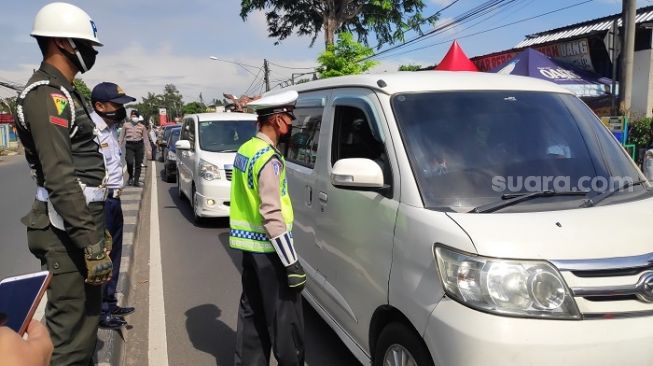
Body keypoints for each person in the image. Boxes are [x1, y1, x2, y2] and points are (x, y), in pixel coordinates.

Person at [14, 3, 112, 365]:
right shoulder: (47, 95)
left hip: (76, 225)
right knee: (70, 339)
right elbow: (60, 178)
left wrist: (95, 232)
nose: (91, 53)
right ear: (62, 42)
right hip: (64, 231)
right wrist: (90, 242)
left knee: (85, 327)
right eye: (86, 45)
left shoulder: (67, 93)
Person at [230, 90, 306, 366]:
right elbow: (271, 213)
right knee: (285, 321)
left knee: (252, 315)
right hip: (270, 250)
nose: (291, 123)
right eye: (288, 117)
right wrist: (291, 262)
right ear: (275, 120)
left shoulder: (246, 149)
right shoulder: (268, 159)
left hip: (248, 248)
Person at [90, 82, 137, 329]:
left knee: (115, 254)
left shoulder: (109, 129)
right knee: (102, 257)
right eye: (116, 105)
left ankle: (110, 301)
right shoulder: (90, 130)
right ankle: (100, 311)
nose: (121, 110)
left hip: (115, 199)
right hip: (100, 202)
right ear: (99, 106)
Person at [119, 110, 151, 187]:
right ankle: (130, 176)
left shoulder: (142, 127)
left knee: (138, 164)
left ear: (138, 117)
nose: (134, 117)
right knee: (129, 162)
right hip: (129, 145)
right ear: (130, 117)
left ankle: (136, 181)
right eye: (132, 116)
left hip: (139, 145)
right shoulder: (126, 125)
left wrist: (148, 150)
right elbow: (121, 137)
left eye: (135, 116)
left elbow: (146, 139)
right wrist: (118, 147)